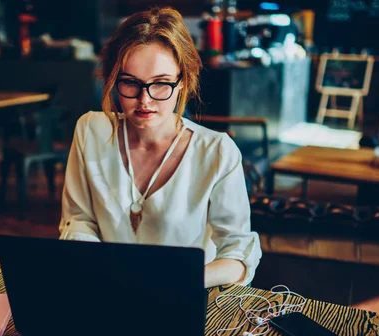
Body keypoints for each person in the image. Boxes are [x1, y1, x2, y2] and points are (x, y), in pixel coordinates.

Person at [59, 7, 261, 287]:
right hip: (108, 290)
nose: (145, 100)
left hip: (185, 298)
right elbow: (79, 221)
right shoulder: (91, 131)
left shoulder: (216, 152)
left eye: (161, 84)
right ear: (113, 80)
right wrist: (101, 268)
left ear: (183, 82)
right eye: (130, 83)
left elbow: (238, 255)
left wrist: (174, 280)